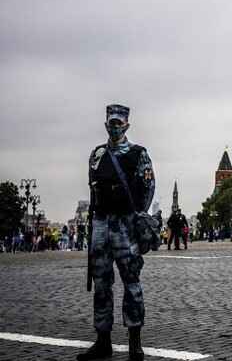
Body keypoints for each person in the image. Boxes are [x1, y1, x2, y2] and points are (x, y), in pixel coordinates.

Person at [78, 104, 154, 361]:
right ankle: (103, 341)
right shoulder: (97, 154)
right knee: (101, 285)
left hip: (125, 225)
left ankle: (135, 342)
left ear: (127, 125)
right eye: (111, 123)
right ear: (105, 124)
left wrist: (135, 218)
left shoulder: (138, 154)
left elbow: (148, 189)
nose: (114, 127)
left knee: (131, 282)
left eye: (118, 123)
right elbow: (93, 187)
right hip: (100, 224)